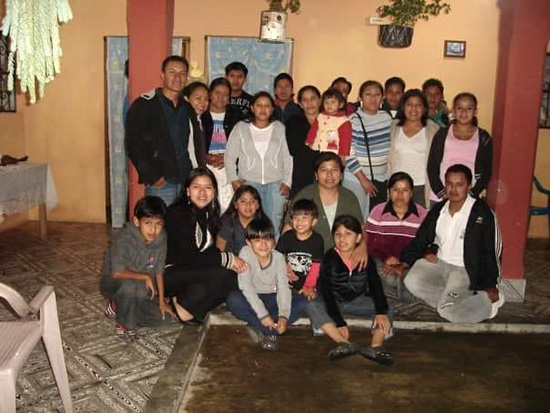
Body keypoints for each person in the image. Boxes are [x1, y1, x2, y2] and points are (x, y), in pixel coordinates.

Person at [397, 164, 505, 323]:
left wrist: (492, 283)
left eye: (459, 184)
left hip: (465, 271)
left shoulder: (482, 214)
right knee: (411, 280)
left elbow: (492, 250)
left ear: (469, 186)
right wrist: (404, 262)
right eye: (449, 184)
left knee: (446, 310)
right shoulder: (438, 210)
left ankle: (487, 304)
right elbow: (422, 238)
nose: (453, 189)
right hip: (440, 264)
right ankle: (454, 299)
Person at [163, 168, 248, 325]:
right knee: (221, 273)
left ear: (214, 192)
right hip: (171, 273)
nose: (202, 193)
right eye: (196, 187)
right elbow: (190, 256)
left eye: (208, 187)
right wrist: (228, 259)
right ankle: (183, 307)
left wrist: (229, 261)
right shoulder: (178, 213)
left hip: (192, 270)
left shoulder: (209, 214)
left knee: (231, 277)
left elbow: (209, 251)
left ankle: (183, 301)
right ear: (187, 191)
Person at [307, 215, 393, 365]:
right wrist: (340, 322)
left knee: (386, 306)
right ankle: (343, 343)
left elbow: (375, 285)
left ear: (358, 238)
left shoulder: (366, 258)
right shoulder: (330, 257)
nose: (342, 239)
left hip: (356, 301)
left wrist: (380, 311)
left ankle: (376, 346)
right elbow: (326, 292)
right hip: (333, 302)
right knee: (311, 304)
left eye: (348, 234)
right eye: (338, 234)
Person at [126, 56, 204, 206]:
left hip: (187, 179)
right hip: (161, 182)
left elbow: (195, 143)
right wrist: (153, 176)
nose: (177, 77)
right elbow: (134, 144)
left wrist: (198, 173)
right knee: (159, 226)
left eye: (182, 73)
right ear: (162, 75)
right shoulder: (145, 104)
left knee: (183, 226)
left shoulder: (187, 108)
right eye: (172, 72)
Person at [225, 217, 308, 351]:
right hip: (252, 299)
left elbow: (283, 288)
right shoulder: (245, 253)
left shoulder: (279, 258)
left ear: (273, 241)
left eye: (267, 239)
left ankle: (259, 325)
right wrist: (263, 316)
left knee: (302, 301)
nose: (263, 245)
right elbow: (246, 287)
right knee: (233, 299)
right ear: (248, 243)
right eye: (257, 240)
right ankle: (270, 331)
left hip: (272, 298)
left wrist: (283, 316)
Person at [100, 196, 172, 338]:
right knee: (133, 288)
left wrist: (162, 301)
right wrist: (144, 276)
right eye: (148, 223)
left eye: (158, 224)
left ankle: (122, 309)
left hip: (143, 287)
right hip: (115, 284)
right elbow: (117, 272)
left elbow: (159, 270)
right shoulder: (123, 238)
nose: (153, 229)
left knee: (165, 320)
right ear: (136, 221)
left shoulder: (161, 237)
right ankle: (125, 322)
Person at [283, 152, 367, 268]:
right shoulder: (305, 195)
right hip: (308, 260)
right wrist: (285, 262)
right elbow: (288, 229)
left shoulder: (349, 197)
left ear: (341, 174)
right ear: (316, 175)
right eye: (323, 170)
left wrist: (362, 248)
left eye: (334, 170)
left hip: (342, 257)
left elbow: (361, 228)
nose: (329, 175)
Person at [225, 91, 293, 233]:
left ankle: (273, 254)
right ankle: (250, 254)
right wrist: (233, 179)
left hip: (276, 184)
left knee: (274, 222)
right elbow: (230, 155)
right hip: (249, 182)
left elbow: (288, 156)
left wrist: (287, 180)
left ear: (272, 109)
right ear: (252, 108)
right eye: (259, 105)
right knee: (250, 222)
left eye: (267, 106)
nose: (263, 109)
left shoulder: (279, 128)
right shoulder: (241, 128)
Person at [366, 172, 427, 303]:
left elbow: (424, 244)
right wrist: (386, 257)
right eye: (395, 190)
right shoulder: (378, 211)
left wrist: (403, 263)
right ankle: (394, 284)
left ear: (411, 193)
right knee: (390, 278)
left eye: (405, 190)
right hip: (382, 259)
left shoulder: (422, 214)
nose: (400, 195)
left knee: (406, 296)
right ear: (389, 192)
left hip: (409, 262)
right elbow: (369, 242)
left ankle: (396, 282)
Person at [427, 92, 493, 205]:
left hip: (469, 197)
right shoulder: (442, 134)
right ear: (453, 111)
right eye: (459, 108)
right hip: (441, 196)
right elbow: (432, 166)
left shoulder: (483, 137)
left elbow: (487, 170)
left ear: (475, 112)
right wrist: (442, 193)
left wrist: (472, 193)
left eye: (469, 108)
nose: (463, 112)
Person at [345, 80, 393, 215]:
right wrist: (363, 180)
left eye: (377, 94)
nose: (373, 98)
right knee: (357, 220)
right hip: (356, 179)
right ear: (360, 98)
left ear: (382, 98)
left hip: (381, 179)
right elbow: (348, 153)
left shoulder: (387, 118)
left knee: (375, 220)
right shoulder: (352, 120)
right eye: (368, 94)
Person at [388, 89, 440, 207]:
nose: (413, 109)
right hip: (397, 185)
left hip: (421, 185)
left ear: (424, 108)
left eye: (418, 105)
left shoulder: (433, 129)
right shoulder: (393, 126)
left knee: (420, 222)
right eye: (409, 104)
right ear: (403, 107)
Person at [201, 77, 242, 211]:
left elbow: (244, 144)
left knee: (229, 205)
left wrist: (228, 158)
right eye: (217, 93)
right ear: (210, 94)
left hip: (230, 165)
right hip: (206, 164)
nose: (221, 97)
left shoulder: (237, 116)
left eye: (225, 95)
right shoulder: (201, 115)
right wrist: (205, 157)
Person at [277, 199, 325, 298]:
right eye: (296, 217)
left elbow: (316, 266)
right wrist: (285, 270)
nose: (299, 221)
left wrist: (308, 286)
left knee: (312, 302)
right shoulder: (287, 236)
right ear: (291, 220)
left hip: (308, 282)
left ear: (314, 221)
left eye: (304, 217)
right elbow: (277, 257)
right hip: (288, 280)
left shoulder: (317, 240)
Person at [285, 85, 322, 198]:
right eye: (305, 100)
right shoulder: (294, 122)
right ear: (300, 104)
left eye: (313, 98)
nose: (309, 103)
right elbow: (293, 149)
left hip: (325, 175)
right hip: (301, 175)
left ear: (320, 100)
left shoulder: (329, 121)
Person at [217, 185, 268, 255]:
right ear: (235, 205)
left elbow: (271, 250)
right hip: (231, 262)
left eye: (252, 201)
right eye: (243, 201)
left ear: (258, 205)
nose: (248, 205)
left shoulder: (264, 223)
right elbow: (219, 252)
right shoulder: (227, 222)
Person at [305, 88, 352, 158]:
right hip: (317, 149)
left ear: (341, 104)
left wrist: (343, 154)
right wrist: (309, 141)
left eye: (333, 102)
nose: (329, 105)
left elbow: (345, 140)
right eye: (326, 102)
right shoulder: (320, 116)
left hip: (333, 153)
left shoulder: (343, 121)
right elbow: (313, 130)